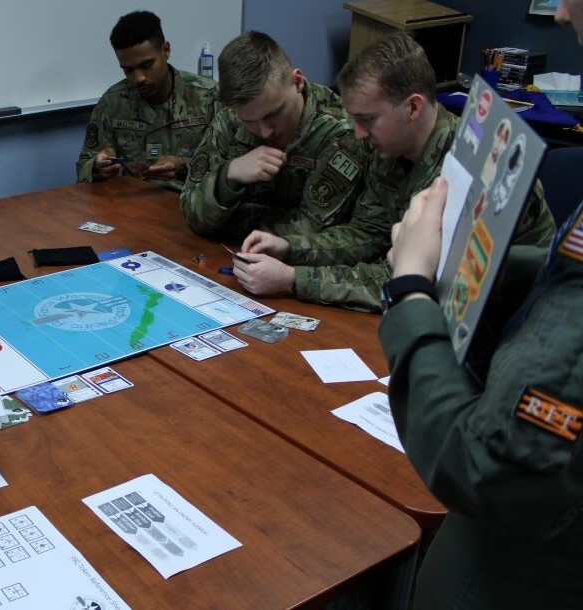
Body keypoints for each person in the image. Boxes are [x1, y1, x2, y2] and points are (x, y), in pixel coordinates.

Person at [377, 4, 583, 606]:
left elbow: (484, 469)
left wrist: (412, 291)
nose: (563, 11)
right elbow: (566, 274)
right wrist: (467, 267)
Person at [233, 32, 555, 310]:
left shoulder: (473, 169)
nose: (358, 133)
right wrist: (291, 247)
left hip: (512, 321)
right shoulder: (390, 149)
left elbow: (405, 280)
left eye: (368, 119)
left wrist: (293, 279)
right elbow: (365, 234)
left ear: (413, 107)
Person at [180, 31, 369, 242]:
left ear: (297, 82)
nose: (265, 131)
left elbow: (314, 233)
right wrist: (228, 176)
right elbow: (191, 210)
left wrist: (227, 222)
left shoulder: (341, 132)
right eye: (249, 121)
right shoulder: (232, 117)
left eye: (274, 114)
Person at [76, 10, 216, 192]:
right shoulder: (113, 101)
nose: (138, 78)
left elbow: (231, 168)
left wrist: (183, 165)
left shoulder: (210, 96)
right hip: (135, 204)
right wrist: (98, 166)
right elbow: (83, 168)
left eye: (146, 65)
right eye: (128, 70)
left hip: (192, 203)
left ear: (166, 51)